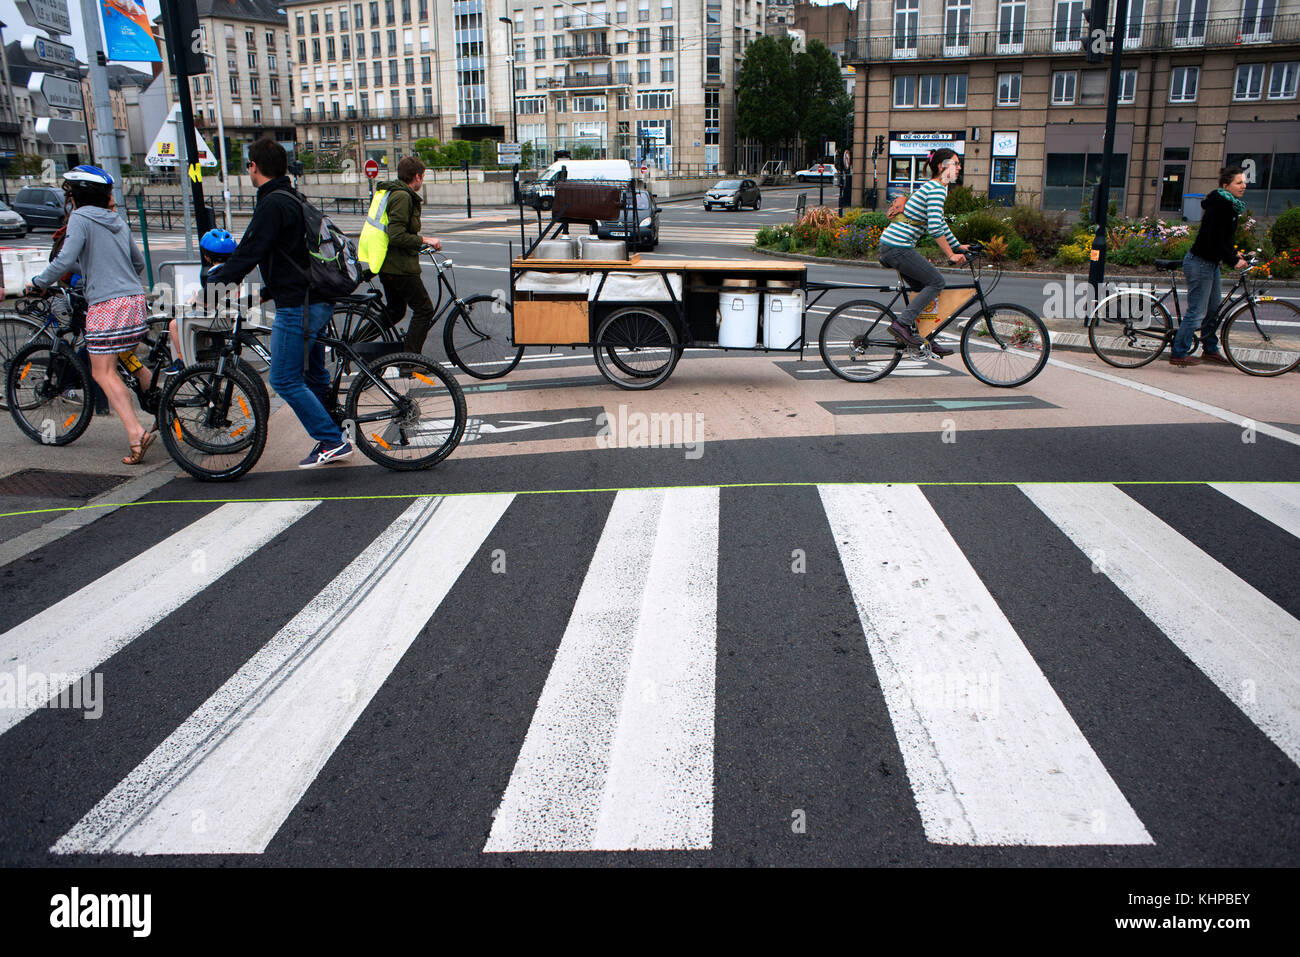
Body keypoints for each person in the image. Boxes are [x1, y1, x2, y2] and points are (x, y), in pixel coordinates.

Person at [205, 137, 352, 467]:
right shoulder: (291, 197)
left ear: (253, 167)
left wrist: (211, 288)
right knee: (314, 376)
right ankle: (336, 428)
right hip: (312, 297)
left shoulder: (272, 204)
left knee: (284, 379)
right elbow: (291, 258)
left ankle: (331, 440)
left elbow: (248, 253)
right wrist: (263, 293)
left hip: (299, 305)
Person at [25, 165, 155, 465]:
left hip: (107, 307)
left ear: (77, 195)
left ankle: (136, 433)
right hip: (135, 301)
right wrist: (97, 272)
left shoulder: (81, 219)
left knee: (102, 372)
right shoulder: (115, 219)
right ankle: (160, 403)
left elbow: (64, 260)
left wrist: (37, 283)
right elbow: (136, 262)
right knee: (126, 358)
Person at [875, 148, 968, 356]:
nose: (959, 167)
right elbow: (935, 228)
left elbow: (941, 225)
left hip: (895, 246)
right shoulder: (936, 189)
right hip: (897, 247)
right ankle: (902, 325)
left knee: (925, 290)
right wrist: (951, 255)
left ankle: (924, 337)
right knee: (937, 282)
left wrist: (958, 246)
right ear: (941, 167)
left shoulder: (938, 188)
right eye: (955, 163)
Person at [1171, 166, 1250, 368]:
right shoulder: (1220, 206)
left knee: (1213, 310)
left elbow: (1223, 238)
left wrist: (1234, 254)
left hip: (1210, 263)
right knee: (1197, 311)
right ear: (1226, 185)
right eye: (1238, 182)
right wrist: (1233, 261)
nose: (1244, 185)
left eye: (1244, 182)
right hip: (1200, 263)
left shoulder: (1229, 204)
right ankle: (1179, 353)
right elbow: (1214, 238)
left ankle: (1210, 349)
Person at [372, 155, 442, 352]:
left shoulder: (395, 193)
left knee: (395, 311)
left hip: (390, 264)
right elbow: (396, 235)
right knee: (424, 309)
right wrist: (424, 240)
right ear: (417, 176)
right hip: (399, 266)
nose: (422, 180)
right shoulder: (402, 196)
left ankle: (354, 344)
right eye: (423, 176)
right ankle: (410, 360)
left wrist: (417, 244)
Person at [167, 227, 239, 370]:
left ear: (206, 256)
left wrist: (193, 301)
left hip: (218, 318)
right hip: (230, 316)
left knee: (174, 324)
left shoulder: (215, 275)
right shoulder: (231, 271)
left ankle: (182, 360)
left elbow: (207, 302)